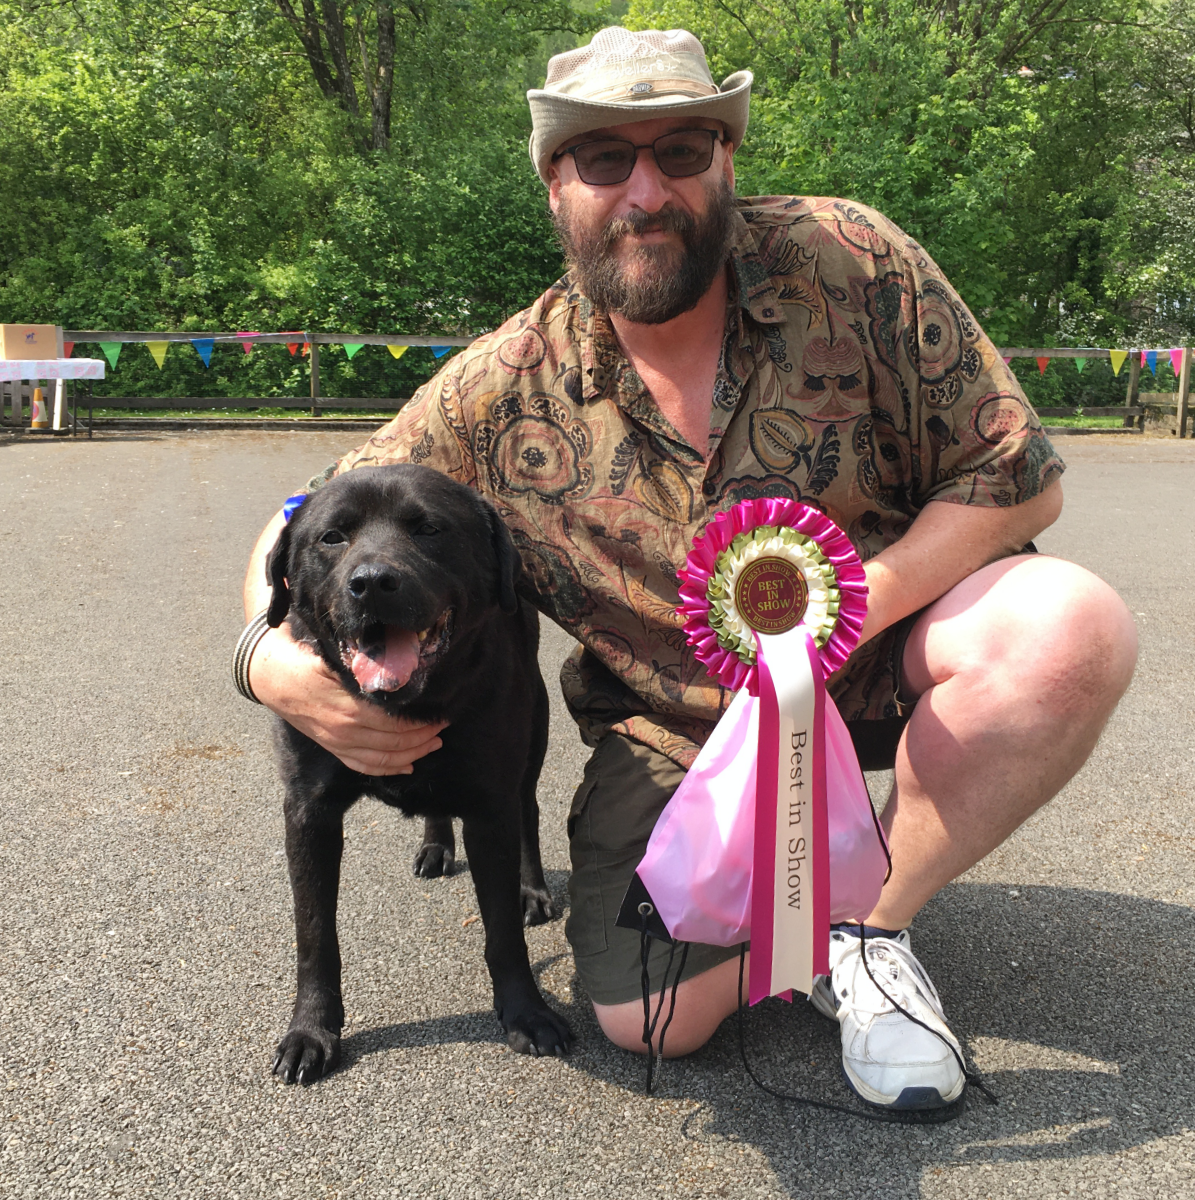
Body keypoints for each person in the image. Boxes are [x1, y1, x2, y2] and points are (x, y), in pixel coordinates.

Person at [238, 27, 1137, 1115]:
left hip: (894, 665)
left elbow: (1018, 475)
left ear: (727, 158)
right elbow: (311, 512)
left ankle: (866, 925)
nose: (646, 190)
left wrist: (849, 614)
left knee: (1068, 627)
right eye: (606, 160)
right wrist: (265, 661)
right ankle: (780, 881)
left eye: (682, 148)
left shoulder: (850, 257)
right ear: (555, 187)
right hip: (677, 732)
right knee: (648, 1021)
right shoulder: (497, 391)